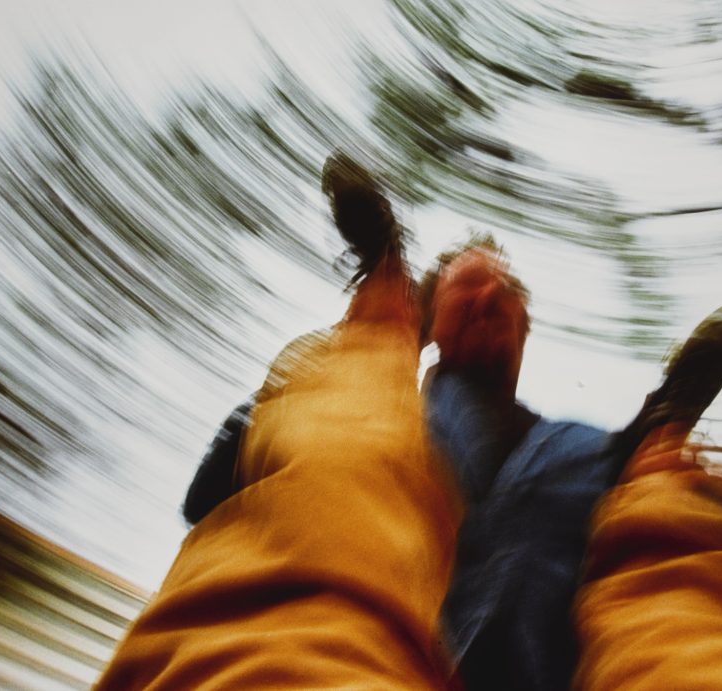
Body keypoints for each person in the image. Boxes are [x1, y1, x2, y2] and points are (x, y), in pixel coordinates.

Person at [96, 152, 462, 689]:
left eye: (408, 297)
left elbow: (201, 497)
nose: (402, 305)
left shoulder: (375, 395)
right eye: (404, 294)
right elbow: (204, 495)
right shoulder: (342, 379)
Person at [419, 242, 722, 690]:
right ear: (427, 325)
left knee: (631, 478)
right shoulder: (408, 418)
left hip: (564, 656)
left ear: (523, 326)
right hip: (432, 649)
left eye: (505, 288)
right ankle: (658, 436)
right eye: (468, 285)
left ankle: (662, 440)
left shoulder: (568, 445)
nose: (490, 294)